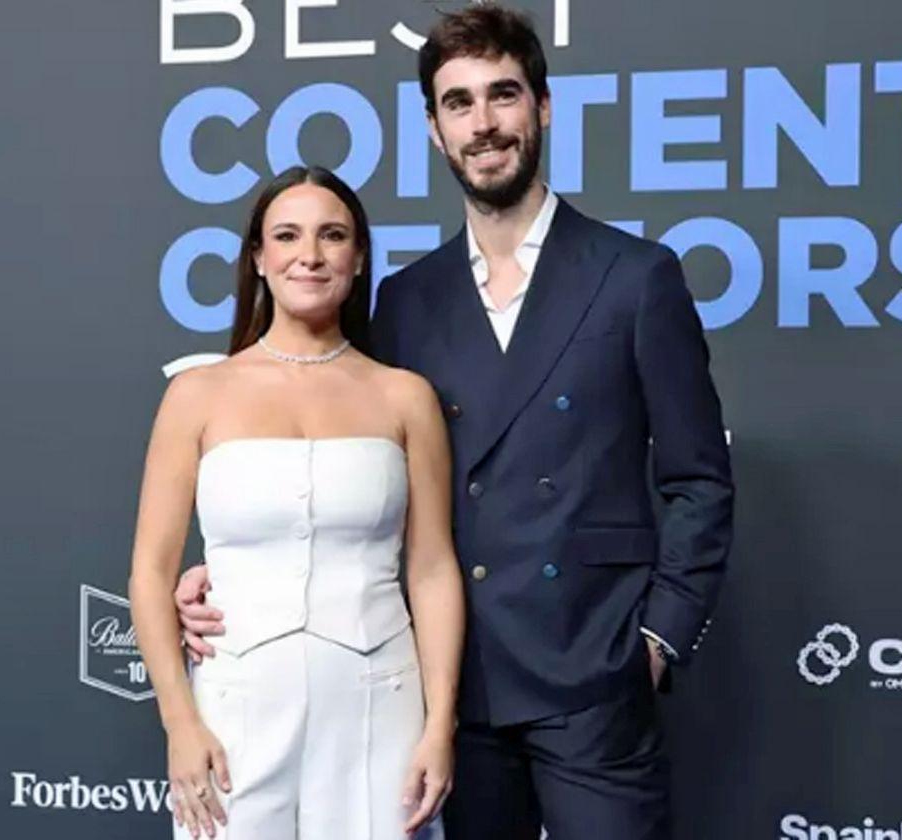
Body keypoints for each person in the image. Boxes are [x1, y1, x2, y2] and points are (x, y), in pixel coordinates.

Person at [176, 5, 734, 838]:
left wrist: (655, 641)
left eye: (502, 96)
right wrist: (232, 571)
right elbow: (338, 457)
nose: (484, 123)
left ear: (542, 108)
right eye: (459, 103)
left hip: (592, 674)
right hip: (445, 690)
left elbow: (697, 479)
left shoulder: (635, 276)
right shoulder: (406, 299)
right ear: (435, 131)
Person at [129, 165, 464, 840]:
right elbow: (149, 573)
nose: (309, 255)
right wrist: (179, 723)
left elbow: (431, 571)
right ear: (258, 257)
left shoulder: (406, 397)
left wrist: (438, 726)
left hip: (381, 707)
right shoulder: (197, 395)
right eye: (287, 235)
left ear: (359, 255)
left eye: (332, 235)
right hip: (235, 712)